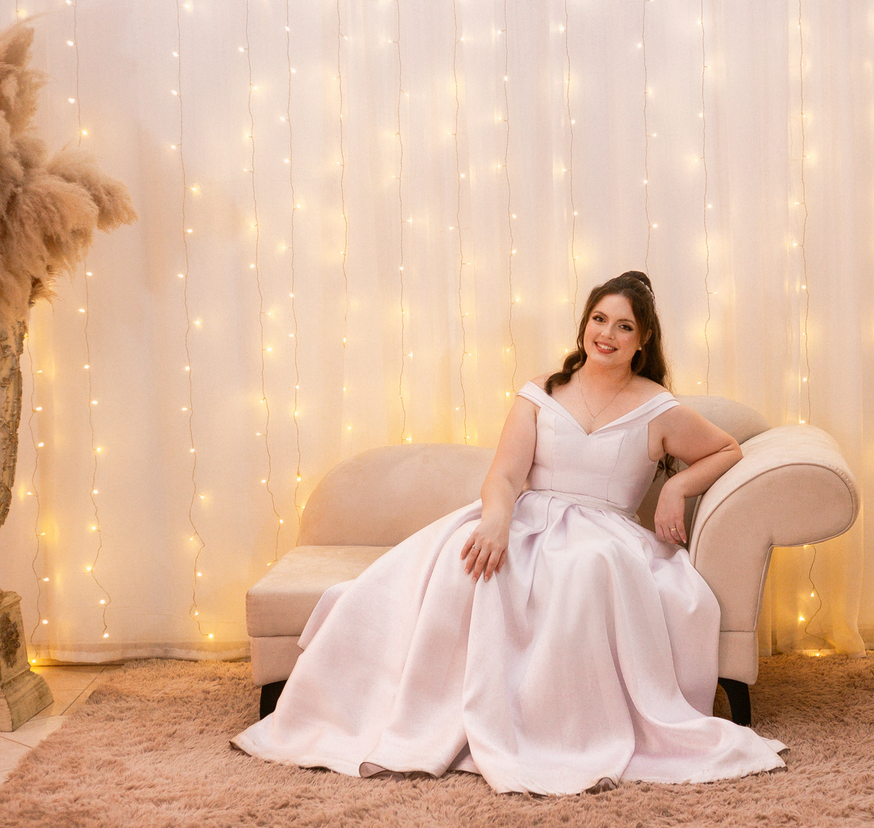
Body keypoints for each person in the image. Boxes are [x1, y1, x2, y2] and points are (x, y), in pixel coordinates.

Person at [232, 271, 786, 795]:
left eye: (624, 326)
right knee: (467, 564)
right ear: (584, 325)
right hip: (523, 516)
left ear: (641, 341)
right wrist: (496, 522)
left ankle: (558, 734)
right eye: (599, 319)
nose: (607, 334)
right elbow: (503, 475)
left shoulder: (658, 408)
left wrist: (676, 487)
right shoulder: (542, 391)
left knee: (584, 568)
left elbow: (726, 449)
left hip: (605, 532)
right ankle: (424, 713)